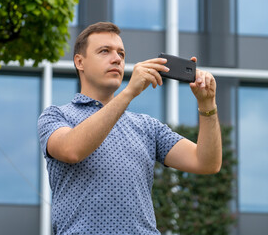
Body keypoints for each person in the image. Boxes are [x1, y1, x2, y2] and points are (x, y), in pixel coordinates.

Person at [37, 22, 222, 235]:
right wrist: (129, 93)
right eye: (104, 51)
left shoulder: (147, 126)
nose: (117, 59)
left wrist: (207, 106)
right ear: (80, 62)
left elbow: (207, 162)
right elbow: (72, 150)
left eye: (121, 53)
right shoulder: (56, 116)